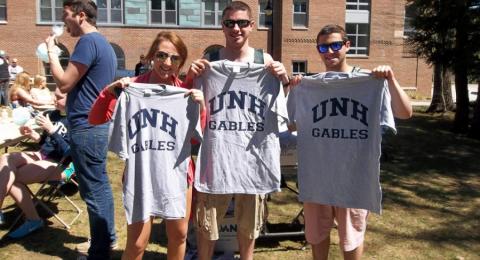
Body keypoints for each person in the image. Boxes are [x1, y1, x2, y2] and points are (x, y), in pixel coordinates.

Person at [288, 24, 412, 260]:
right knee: (317, 235)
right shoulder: (311, 85)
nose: (330, 51)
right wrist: (294, 92)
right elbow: (291, 125)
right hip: (317, 175)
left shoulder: (368, 81)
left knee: (352, 239)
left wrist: (391, 79)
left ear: (347, 45)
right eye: (323, 46)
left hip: (353, 176)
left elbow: (405, 113)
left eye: (335, 45)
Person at [89, 31, 205, 260]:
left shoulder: (184, 94)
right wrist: (110, 93)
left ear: (181, 62)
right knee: (138, 243)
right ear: (151, 56)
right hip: (140, 174)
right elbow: (94, 118)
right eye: (161, 55)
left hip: (178, 174)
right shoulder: (131, 89)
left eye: (174, 58)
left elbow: (195, 138)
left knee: (180, 235)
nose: (167, 63)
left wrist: (200, 109)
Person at [187, 2, 290, 260]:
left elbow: (282, 111)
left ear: (252, 26)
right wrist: (190, 79)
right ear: (222, 26)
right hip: (217, 158)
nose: (236, 28)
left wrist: (284, 81)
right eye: (230, 23)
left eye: (242, 23)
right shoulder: (208, 64)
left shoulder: (264, 63)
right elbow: (189, 107)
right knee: (207, 223)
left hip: (253, 160)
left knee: (248, 226)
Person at [44, 0, 117, 258]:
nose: (64, 22)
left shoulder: (87, 43)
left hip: (87, 126)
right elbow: (88, 88)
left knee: (93, 189)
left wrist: (52, 52)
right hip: (94, 123)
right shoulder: (103, 43)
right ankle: (107, 239)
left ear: (81, 15)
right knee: (97, 185)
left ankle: (100, 250)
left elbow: (64, 82)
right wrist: (71, 100)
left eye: (66, 16)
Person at [0, 89, 73, 239]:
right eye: (55, 96)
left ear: (71, 98)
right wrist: (32, 135)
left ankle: (34, 220)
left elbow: (69, 152)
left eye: (59, 98)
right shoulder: (53, 114)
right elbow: (45, 143)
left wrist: (52, 130)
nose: (54, 100)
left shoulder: (77, 120)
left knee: (13, 178)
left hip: (61, 164)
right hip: (42, 155)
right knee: (6, 158)